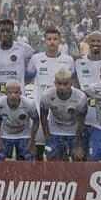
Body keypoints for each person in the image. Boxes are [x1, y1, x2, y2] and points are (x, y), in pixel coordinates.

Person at [26, 28, 74, 160]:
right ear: (44, 41)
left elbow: (72, 82)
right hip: (41, 109)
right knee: (39, 146)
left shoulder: (68, 60)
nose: (52, 42)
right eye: (49, 39)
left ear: (60, 41)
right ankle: (40, 177)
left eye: (55, 39)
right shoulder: (36, 59)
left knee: (60, 149)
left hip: (60, 111)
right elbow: (28, 77)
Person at [40, 69, 88, 161]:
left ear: (71, 83)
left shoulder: (81, 97)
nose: (62, 87)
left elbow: (82, 121)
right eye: (59, 84)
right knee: (52, 159)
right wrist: (47, 137)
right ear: (55, 83)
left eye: (65, 84)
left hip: (74, 131)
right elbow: (43, 117)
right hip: (55, 131)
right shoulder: (46, 95)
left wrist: (78, 144)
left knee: (78, 157)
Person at [0, 19, 34, 95]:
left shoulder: (25, 49)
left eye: (8, 31)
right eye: (2, 31)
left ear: (13, 33)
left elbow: (33, 71)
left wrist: (21, 83)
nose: (5, 34)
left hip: (18, 98)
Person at [0, 81, 39, 160]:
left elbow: (36, 120)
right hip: (5, 135)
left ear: (20, 93)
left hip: (24, 135)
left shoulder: (29, 104)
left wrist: (32, 141)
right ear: (5, 93)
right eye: (10, 93)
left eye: (16, 92)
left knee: (29, 159)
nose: (13, 95)